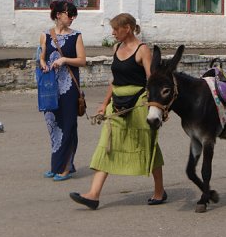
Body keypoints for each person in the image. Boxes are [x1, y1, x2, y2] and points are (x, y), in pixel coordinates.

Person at [69, 13, 165, 210]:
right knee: (107, 145)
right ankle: (93, 195)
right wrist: (105, 104)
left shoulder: (142, 50)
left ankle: (159, 191)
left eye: (115, 29)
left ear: (127, 28)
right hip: (117, 104)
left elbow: (151, 80)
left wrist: (155, 106)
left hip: (138, 103)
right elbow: (114, 80)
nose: (112, 33)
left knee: (147, 145)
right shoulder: (116, 48)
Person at [38, 0, 86, 181]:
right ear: (58, 15)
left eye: (74, 15)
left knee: (68, 126)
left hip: (69, 89)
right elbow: (41, 57)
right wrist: (43, 63)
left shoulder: (76, 36)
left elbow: (82, 60)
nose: (72, 18)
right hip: (50, 88)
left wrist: (65, 60)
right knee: (53, 125)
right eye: (69, 14)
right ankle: (56, 164)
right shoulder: (46, 35)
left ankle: (65, 167)